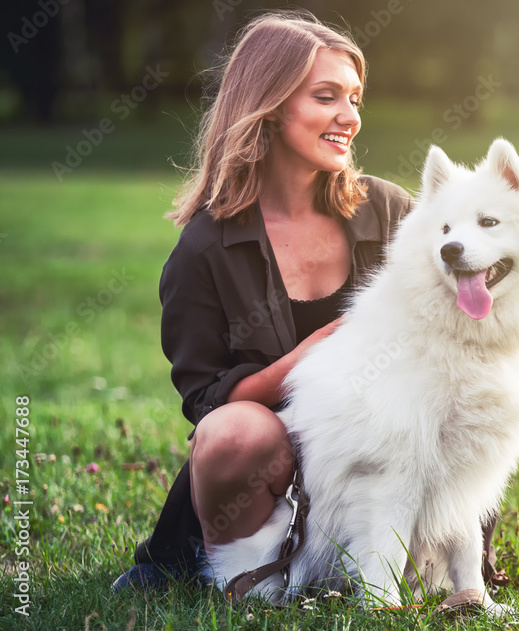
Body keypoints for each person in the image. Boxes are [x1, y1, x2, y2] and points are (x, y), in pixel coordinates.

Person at [113, 10, 436, 591]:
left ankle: (417, 566)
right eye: (327, 96)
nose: (350, 117)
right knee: (235, 431)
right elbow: (209, 405)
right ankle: (242, 576)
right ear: (270, 104)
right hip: (273, 465)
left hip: (383, 453)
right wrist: (313, 355)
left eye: (355, 98)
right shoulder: (205, 247)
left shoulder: (392, 213)